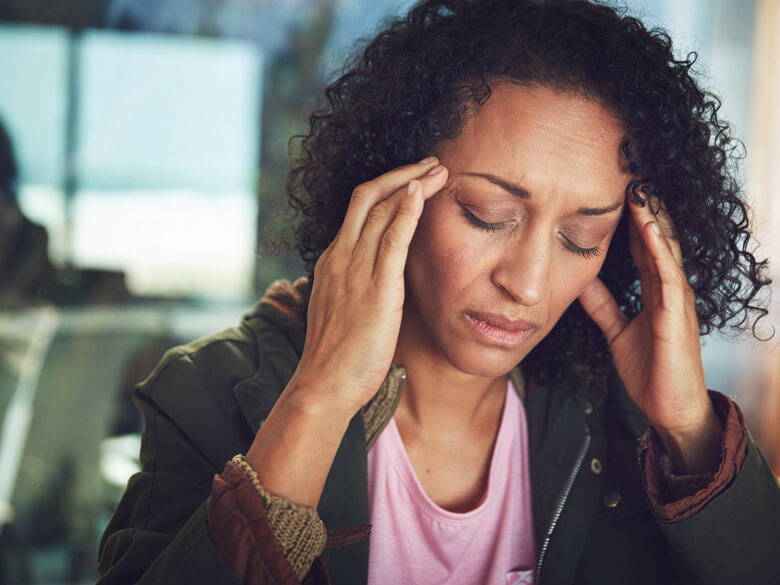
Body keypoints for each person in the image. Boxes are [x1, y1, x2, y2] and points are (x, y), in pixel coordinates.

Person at [97, 1, 780, 584]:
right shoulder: (207, 392)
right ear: (393, 187)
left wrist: (689, 428)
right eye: (486, 212)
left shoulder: (626, 422)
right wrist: (320, 397)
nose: (528, 281)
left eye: (581, 237)